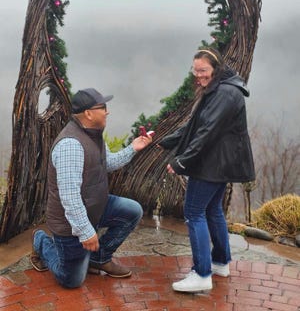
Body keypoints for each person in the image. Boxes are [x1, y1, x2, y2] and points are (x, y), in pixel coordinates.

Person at [31, 88, 152, 288]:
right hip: (69, 224)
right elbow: (69, 197)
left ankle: (99, 258)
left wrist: (133, 148)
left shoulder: (93, 135)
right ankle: (41, 240)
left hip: (95, 208)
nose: (107, 111)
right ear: (88, 113)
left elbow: (108, 163)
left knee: (132, 211)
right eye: (102, 107)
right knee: (71, 280)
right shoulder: (70, 145)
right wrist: (86, 231)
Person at [158, 47, 255, 293]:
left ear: (216, 69)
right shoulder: (220, 89)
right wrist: (162, 140)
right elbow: (194, 127)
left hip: (212, 165)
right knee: (212, 210)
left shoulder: (224, 93)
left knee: (193, 212)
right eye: (195, 71)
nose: (198, 75)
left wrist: (181, 162)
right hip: (218, 163)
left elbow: (206, 132)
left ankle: (201, 273)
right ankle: (220, 262)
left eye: (203, 70)